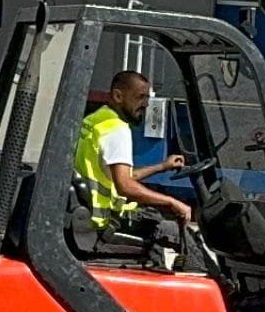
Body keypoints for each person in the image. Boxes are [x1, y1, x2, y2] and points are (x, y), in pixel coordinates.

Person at [73, 70, 193, 239]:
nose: (145, 104)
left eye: (147, 98)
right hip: (105, 221)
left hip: (86, 213)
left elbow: (122, 176)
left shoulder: (94, 121)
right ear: (118, 96)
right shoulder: (116, 129)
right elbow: (125, 186)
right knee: (180, 235)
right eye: (140, 97)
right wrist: (172, 202)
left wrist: (163, 166)